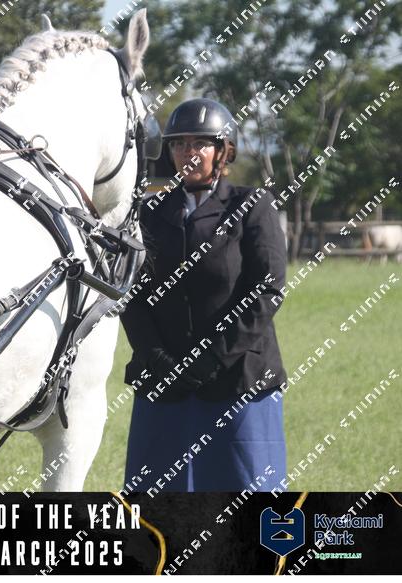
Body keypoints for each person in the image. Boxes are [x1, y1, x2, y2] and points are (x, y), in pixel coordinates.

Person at [120, 97, 288, 492]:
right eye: (179, 144)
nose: (188, 153)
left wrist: (212, 358)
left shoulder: (251, 206)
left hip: (237, 380)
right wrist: (155, 357)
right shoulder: (147, 213)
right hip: (164, 382)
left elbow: (267, 290)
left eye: (200, 143)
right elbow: (131, 292)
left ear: (223, 150)